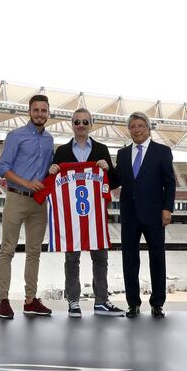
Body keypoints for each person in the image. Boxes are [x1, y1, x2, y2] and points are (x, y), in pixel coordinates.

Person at [49, 107, 124, 318]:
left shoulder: (101, 149)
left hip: (95, 217)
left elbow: (116, 180)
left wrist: (107, 168)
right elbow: (52, 183)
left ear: (91, 125)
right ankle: (73, 301)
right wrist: (52, 171)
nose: (81, 126)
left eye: (85, 122)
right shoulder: (62, 151)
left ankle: (101, 301)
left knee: (100, 259)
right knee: (71, 260)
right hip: (71, 218)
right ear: (71, 125)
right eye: (77, 122)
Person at [0, 94, 54, 319]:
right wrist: (27, 183)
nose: (40, 114)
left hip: (39, 202)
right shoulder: (16, 135)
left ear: (48, 113)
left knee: (34, 252)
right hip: (17, 197)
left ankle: (30, 300)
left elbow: (49, 168)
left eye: (44, 110)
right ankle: (3, 300)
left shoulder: (49, 140)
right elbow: (3, 168)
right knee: (7, 250)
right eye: (36, 110)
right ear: (30, 111)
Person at [116, 111, 176, 318]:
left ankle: (157, 303)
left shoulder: (162, 151)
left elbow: (169, 182)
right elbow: (115, 180)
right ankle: (133, 303)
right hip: (130, 216)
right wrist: (102, 169)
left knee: (157, 259)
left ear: (148, 128)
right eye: (133, 126)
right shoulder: (123, 154)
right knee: (129, 260)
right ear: (129, 130)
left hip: (154, 215)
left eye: (140, 125)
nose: (137, 129)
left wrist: (167, 209)